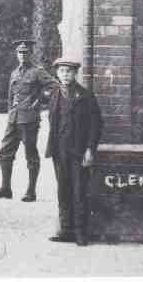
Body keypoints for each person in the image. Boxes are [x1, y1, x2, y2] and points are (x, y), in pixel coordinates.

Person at [45, 57, 103, 247]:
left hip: (79, 151)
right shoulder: (55, 95)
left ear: (75, 74)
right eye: (62, 71)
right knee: (63, 190)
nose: (65, 75)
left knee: (79, 191)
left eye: (69, 71)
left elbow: (96, 125)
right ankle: (65, 229)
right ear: (57, 74)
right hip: (59, 150)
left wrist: (89, 149)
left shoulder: (86, 96)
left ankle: (80, 232)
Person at [0, 39, 52, 202]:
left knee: (30, 154)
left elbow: (53, 86)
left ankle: (31, 192)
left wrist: (40, 100)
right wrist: (10, 114)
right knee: (4, 152)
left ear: (31, 54)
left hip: (29, 119)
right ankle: (5, 188)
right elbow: (11, 96)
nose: (23, 55)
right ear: (17, 54)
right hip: (14, 118)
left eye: (26, 53)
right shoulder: (14, 73)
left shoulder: (38, 71)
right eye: (20, 52)